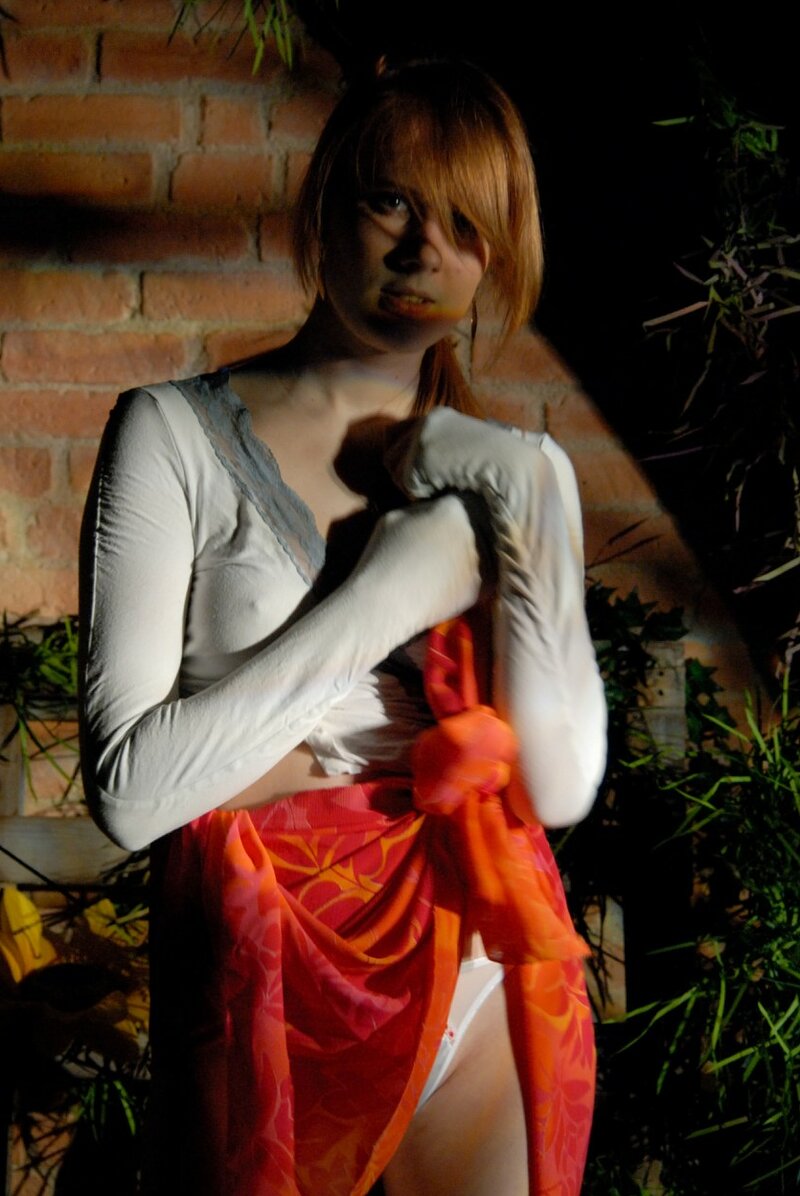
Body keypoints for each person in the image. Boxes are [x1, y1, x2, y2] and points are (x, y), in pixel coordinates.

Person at [79, 57, 607, 1196]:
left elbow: (558, 786)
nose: (424, 252)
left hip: (473, 948)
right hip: (270, 975)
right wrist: (385, 601)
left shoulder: (512, 473)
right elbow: (130, 789)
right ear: (325, 209)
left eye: (465, 226)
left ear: (498, 257)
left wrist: (531, 493)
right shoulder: (172, 435)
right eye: (391, 203)